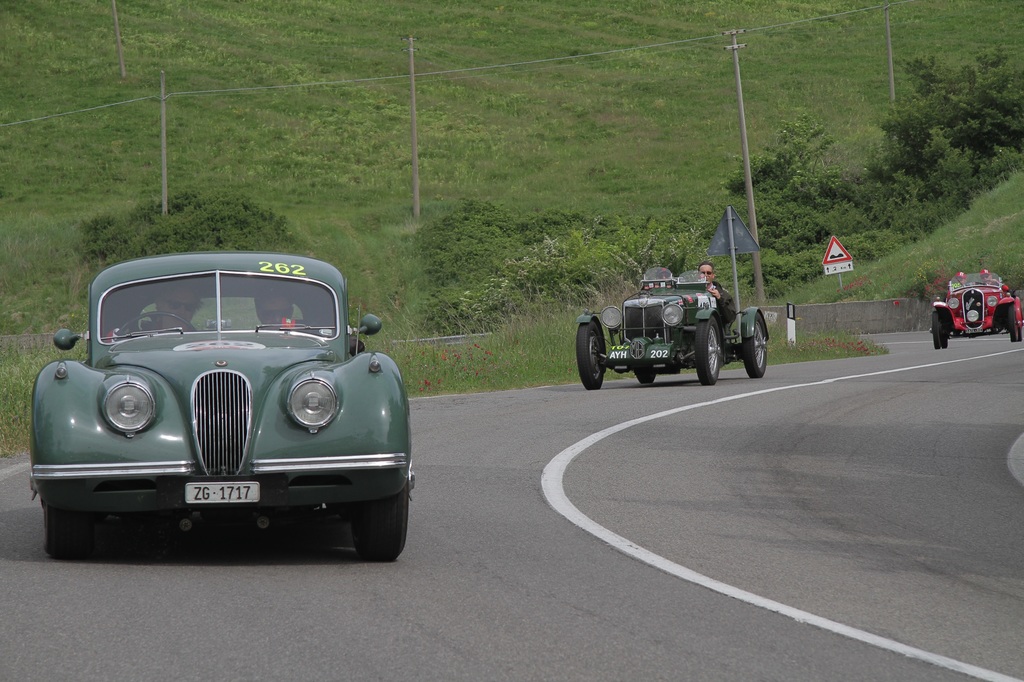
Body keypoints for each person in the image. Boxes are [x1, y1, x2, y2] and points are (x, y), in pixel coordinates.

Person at [698, 260, 735, 325]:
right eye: (703, 273)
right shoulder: (691, 293)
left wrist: (719, 298)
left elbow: (730, 317)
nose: (706, 275)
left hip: (717, 328)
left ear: (713, 275)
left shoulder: (723, 294)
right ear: (698, 275)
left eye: (708, 273)